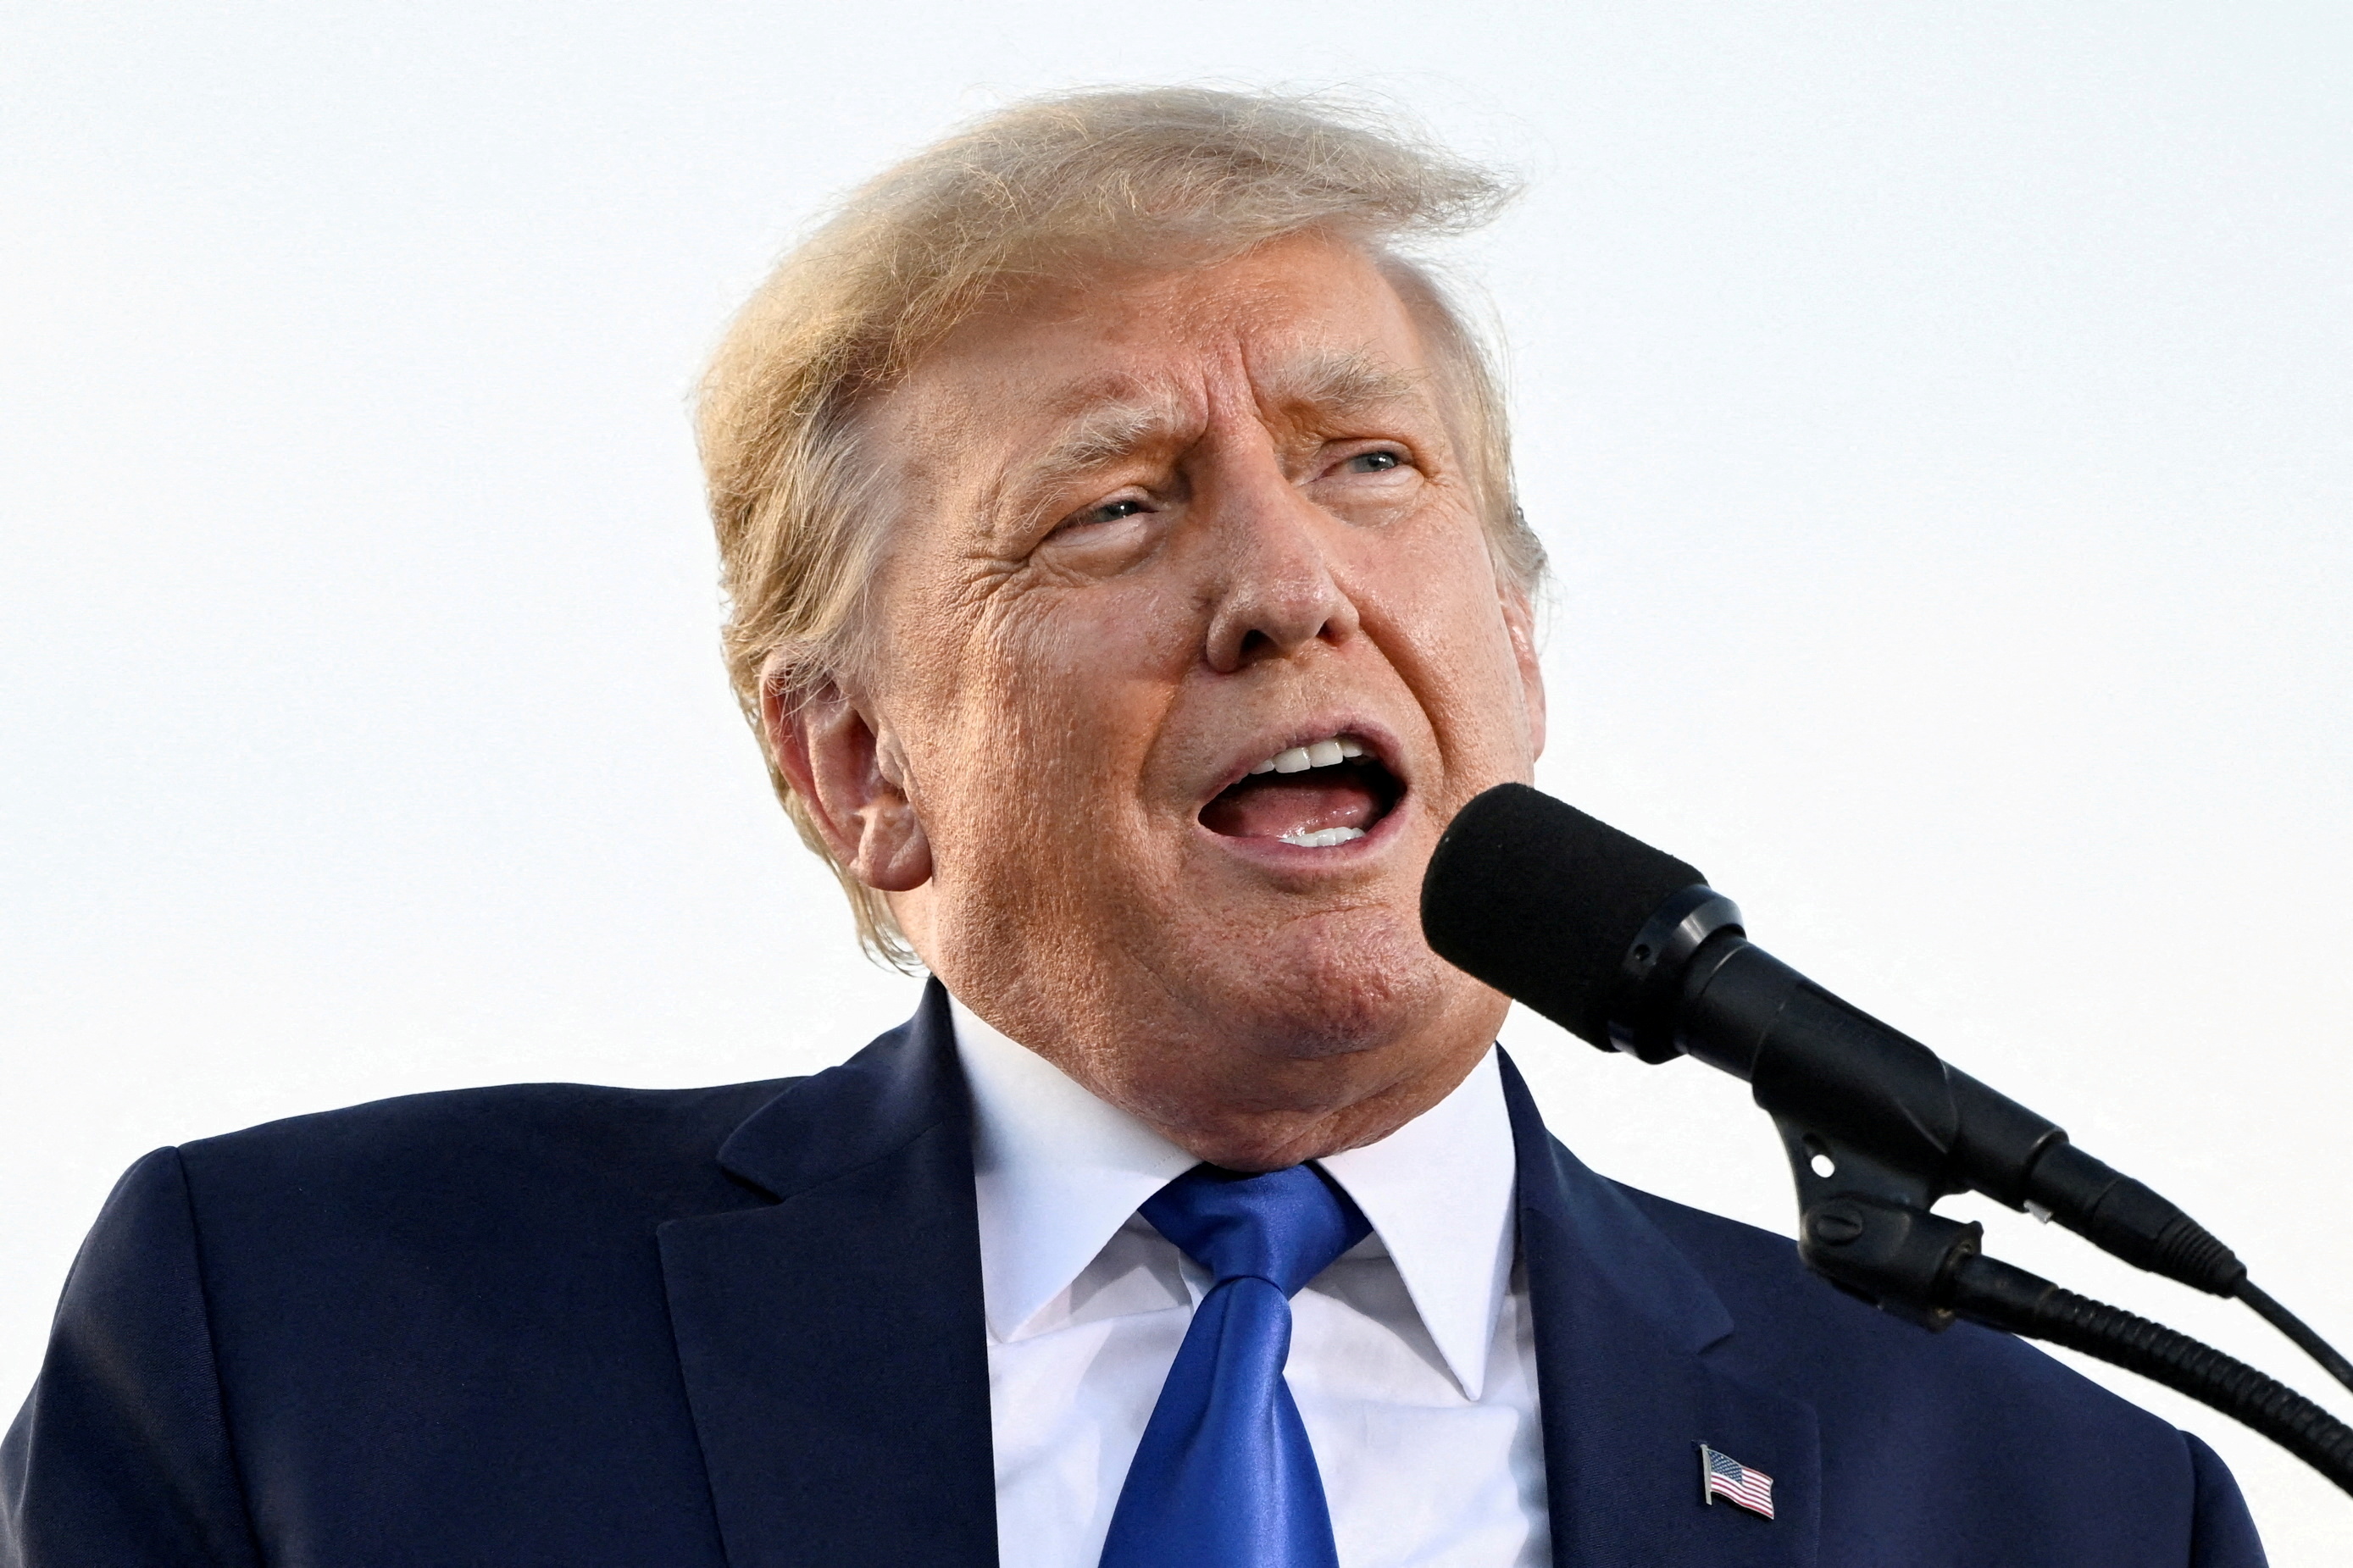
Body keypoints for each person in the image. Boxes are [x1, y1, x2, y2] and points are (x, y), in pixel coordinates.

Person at [1, 87, 2265, 1568]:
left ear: (1512, 640)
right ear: (853, 765)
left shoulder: (2054, 1503)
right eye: (1115, 505)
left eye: (1368, 464)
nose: (1290, 583)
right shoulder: (314, 1338)